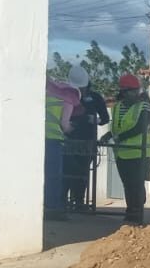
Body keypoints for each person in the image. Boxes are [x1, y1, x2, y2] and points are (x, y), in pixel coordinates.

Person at [108, 74, 150, 226]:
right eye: (131, 91)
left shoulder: (144, 105)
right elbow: (116, 127)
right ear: (123, 91)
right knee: (128, 185)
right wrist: (108, 136)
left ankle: (136, 215)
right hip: (122, 153)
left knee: (136, 184)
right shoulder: (117, 107)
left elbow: (143, 126)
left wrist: (121, 137)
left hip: (139, 152)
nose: (135, 94)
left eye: (136, 91)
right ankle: (131, 212)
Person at [64, 66, 110, 211]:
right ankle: (63, 202)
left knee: (82, 174)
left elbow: (105, 118)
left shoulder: (95, 98)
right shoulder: (66, 95)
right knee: (66, 173)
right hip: (68, 141)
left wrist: (94, 120)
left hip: (87, 142)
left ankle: (78, 202)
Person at [45, 78, 79, 221]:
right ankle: (53, 207)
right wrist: (72, 128)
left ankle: (45, 205)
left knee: (44, 174)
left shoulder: (48, 96)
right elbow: (64, 124)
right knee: (54, 176)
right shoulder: (68, 101)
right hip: (54, 140)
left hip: (41, 139)